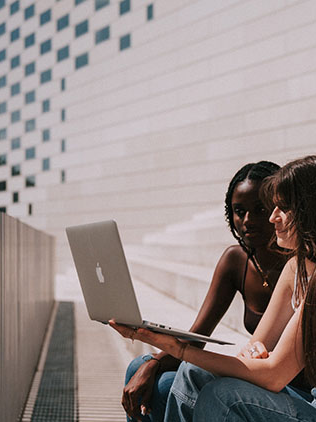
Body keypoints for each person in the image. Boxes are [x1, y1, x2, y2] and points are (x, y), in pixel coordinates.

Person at [110, 155, 316, 422]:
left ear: (313, 210)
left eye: (283, 208)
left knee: (223, 397)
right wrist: (252, 350)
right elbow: (257, 345)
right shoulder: (297, 267)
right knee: (192, 373)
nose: (273, 217)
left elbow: (275, 375)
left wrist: (177, 347)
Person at [120, 161, 286, 421]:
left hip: (282, 380)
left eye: (259, 209)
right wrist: (152, 362)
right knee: (140, 367)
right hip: (256, 369)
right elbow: (198, 335)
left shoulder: (297, 262)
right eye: (239, 211)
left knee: (163, 385)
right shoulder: (236, 260)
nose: (247, 221)